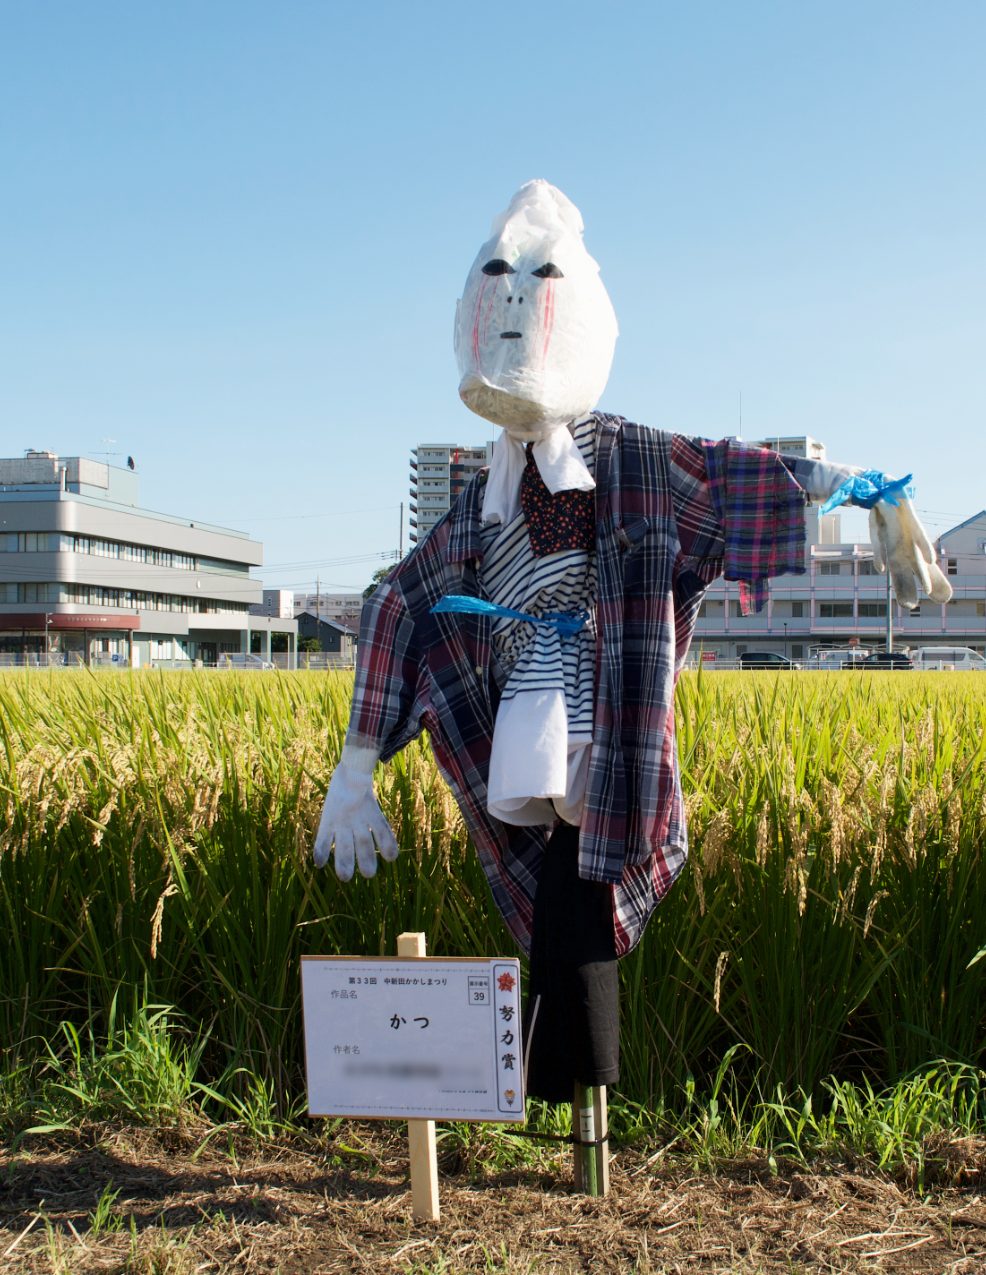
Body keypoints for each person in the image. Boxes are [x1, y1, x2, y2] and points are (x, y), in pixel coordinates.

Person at [311, 180, 949, 1104]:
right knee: (559, 890)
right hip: (525, 710)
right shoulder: (480, 501)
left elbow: (734, 472)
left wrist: (859, 490)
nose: (517, 296)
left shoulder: (637, 460)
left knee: (584, 880)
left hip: (608, 708)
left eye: (539, 281)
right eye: (500, 279)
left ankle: (568, 1085)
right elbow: (400, 605)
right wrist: (356, 763)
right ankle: (564, 1087)